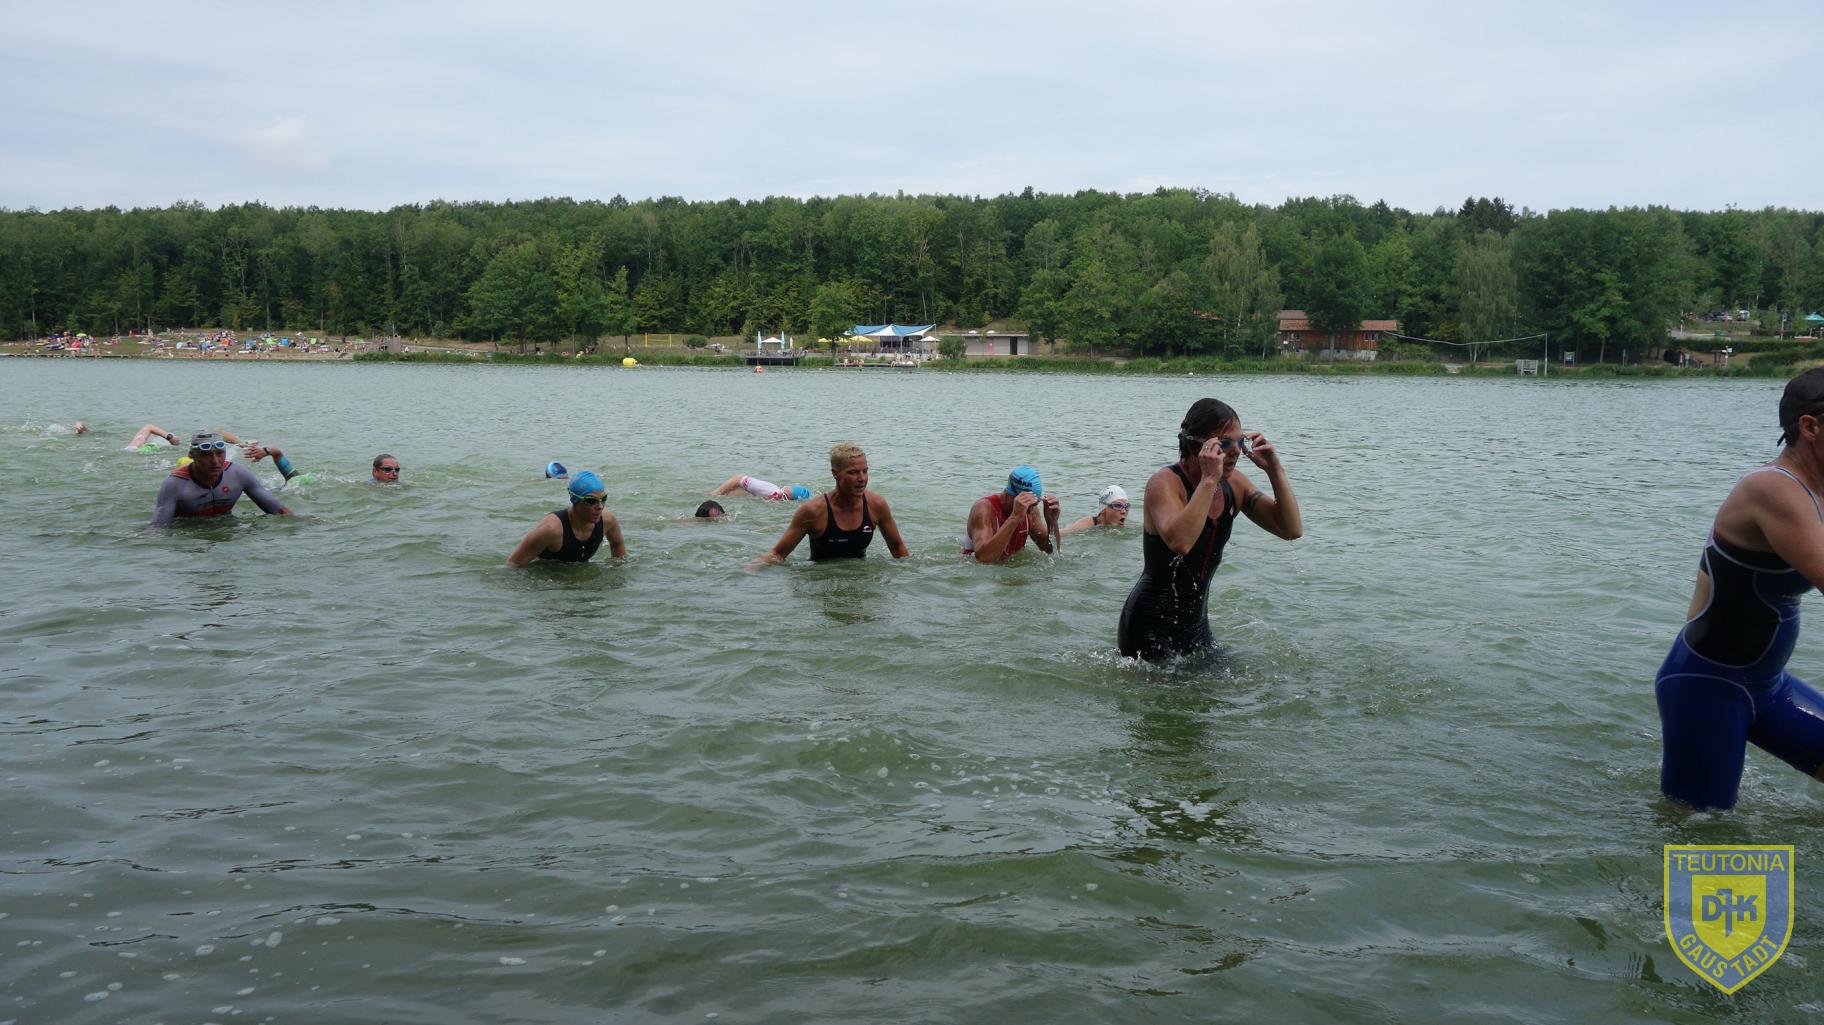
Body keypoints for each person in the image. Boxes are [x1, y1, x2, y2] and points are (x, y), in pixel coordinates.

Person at [1657, 368, 1824, 810]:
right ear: (1810, 427)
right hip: (1707, 688)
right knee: (1702, 836)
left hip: (1770, 687)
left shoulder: (1818, 490)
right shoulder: (1773, 489)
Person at [1118, 398, 1302, 660]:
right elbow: (1181, 542)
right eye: (1224, 444)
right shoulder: (1165, 484)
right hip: (1148, 625)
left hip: (1196, 628)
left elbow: (1290, 529)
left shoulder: (1234, 484)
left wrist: (1275, 469)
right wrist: (1209, 479)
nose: (1236, 451)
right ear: (1196, 446)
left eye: (1240, 442)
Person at [753, 442, 909, 565]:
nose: (862, 478)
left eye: (865, 471)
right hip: (820, 579)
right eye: (853, 472)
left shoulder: (876, 505)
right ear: (835, 473)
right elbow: (778, 554)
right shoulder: (813, 511)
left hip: (861, 579)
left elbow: (897, 548)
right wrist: (750, 569)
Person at [149, 431, 293, 527]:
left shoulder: (238, 474)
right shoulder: (174, 484)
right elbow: (158, 531)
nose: (215, 461)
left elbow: (279, 512)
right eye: (206, 455)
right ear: (191, 456)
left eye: (219, 454)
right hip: (192, 539)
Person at [507, 470, 626, 565]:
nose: (600, 506)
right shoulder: (551, 529)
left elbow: (617, 544)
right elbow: (513, 564)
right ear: (575, 501)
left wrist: (618, 572)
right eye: (591, 501)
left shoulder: (607, 520)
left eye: (603, 499)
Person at [964, 465, 1059, 562]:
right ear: (1010, 494)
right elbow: (983, 559)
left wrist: (1052, 522)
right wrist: (1015, 517)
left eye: (1034, 504)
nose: (1030, 511)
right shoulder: (983, 510)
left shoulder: (1030, 509)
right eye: (1025, 503)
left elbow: (1051, 551)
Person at [1062, 485, 1130, 535]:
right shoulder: (1084, 525)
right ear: (1103, 509)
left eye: (1127, 506)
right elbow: (1059, 534)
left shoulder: (1126, 525)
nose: (1124, 511)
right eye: (1118, 506)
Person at [713, 474, 813, 502]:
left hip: (742, 484)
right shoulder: (776, 493)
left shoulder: (776, 491)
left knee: (730, 497)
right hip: (737, 481)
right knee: (713, 496)